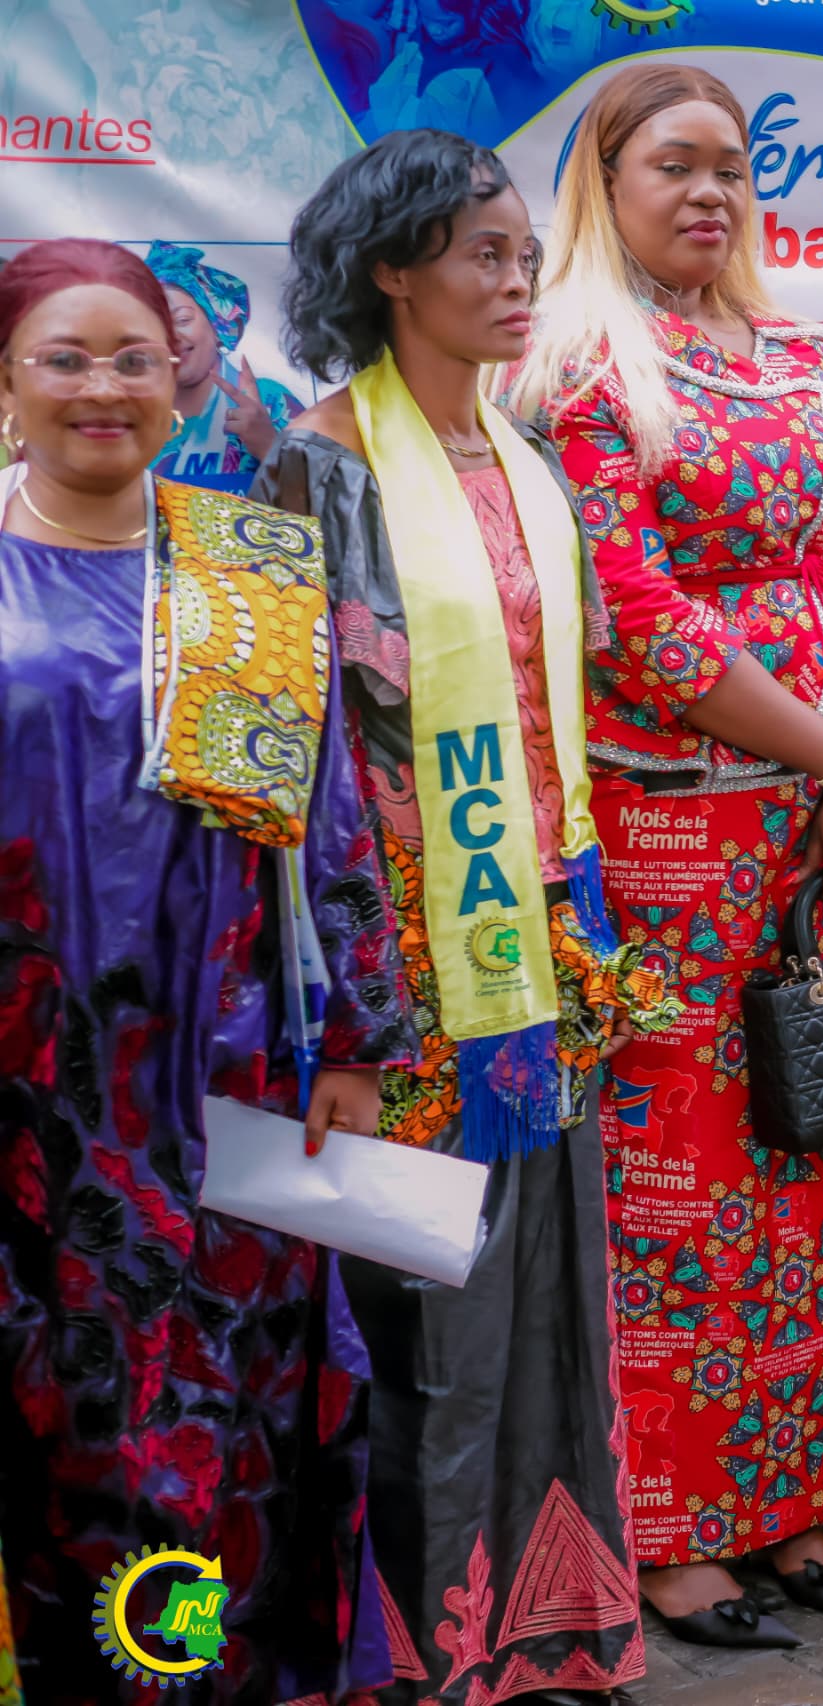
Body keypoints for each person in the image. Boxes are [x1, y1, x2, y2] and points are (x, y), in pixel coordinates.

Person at [256, 130, 675, 1702]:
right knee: (422, 1309)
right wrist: (350, 1005)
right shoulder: (316, 466)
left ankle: (546, 1623)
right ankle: (419, 1649)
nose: (516, 284)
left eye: (525, 259)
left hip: (538, 946)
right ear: (390, 271)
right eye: (483, 256)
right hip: (397, 965)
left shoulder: (530, 464)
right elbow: (294, 757)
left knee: (542, 1292)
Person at [504, 62, 823, 1649]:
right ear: (603, 187)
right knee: (684, 1182)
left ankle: (796, 1498)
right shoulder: (580, 366)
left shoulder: (798, 360)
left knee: (822, 1151)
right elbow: (634, 612)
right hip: (678, 827)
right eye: (672, 165)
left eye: (732, 169)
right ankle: (677, 1531)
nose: (709, 193)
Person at [0, 238, 406, 1700]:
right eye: (65, 358)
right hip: (26, 1074)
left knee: (215, 1399)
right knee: (48, 1396)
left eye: (135, 357)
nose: (104, 386)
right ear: (7, 381)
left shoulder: (242, 566)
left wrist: (355, 1041)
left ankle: (201, 1679)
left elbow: (329, 810)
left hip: (218, 1060)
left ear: (179, 380)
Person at [147, 240, 303, 495]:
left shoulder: (270, 402)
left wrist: (268, 445)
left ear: (219, 326)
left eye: (182, 320)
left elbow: (330, 501)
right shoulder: (130, 414)